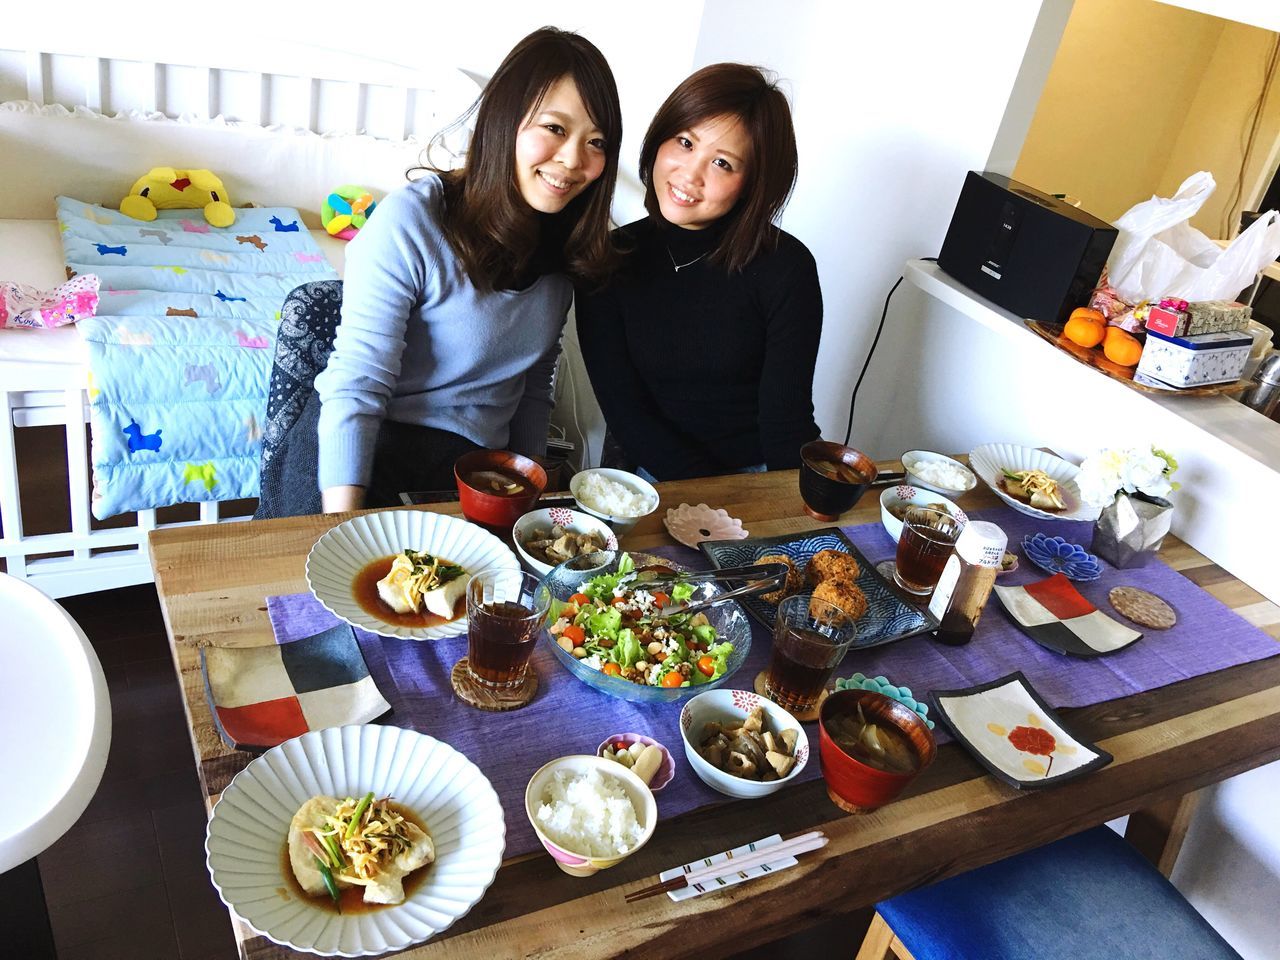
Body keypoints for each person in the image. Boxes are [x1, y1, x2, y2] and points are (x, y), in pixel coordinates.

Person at [257, 27, 621, 517]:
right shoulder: (414, 220)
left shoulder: (564, 246)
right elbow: (359, 382)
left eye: (596, 141)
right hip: (365, 449)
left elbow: (533, 386)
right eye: (555, 128)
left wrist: (529, 490)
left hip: (471, 470)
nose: (574, 160)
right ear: (505, 120)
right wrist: (341, 525)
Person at [575, 63, 822, 482]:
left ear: (754, 182)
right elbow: (626, 414)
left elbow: (786, 420)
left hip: (755, 476)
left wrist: (784, 515)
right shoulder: (606, 259)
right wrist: (706, 506)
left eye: (723, 163)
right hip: (653, 473)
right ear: (660, 138)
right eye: (685, 142)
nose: (690, 174)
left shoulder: (786, 268)